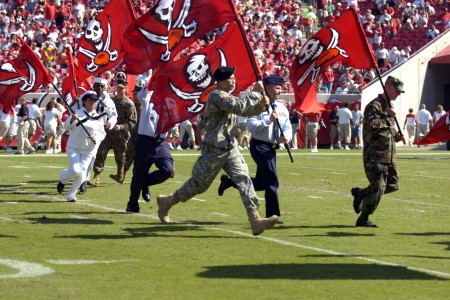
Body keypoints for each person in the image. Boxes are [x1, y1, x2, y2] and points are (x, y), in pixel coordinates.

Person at [156, 66, 279, 236]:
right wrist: (256, 92)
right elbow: (238, 106)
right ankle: (168, 201)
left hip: (229, 147)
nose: (234, 80)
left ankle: (255, 219)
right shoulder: (216, 95)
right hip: (214, 149)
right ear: (221, 80)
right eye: (231, 78)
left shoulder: (227, 96)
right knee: (199, 185)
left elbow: (245, 108)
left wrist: (260, 105)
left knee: (244, 179)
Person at [218, 75, 292, 223]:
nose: (279, 91)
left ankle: (230, 181)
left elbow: (287, 126)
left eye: (280, 88)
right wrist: (268, 119)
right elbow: (251, 127)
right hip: (259, 146)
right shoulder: (257, 107)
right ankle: (273, 215)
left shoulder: (282, 107)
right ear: (267, 88)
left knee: (261, 183)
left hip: (272, 147)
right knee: (272, 181)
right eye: (276, 88)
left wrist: (286, 138)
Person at [351, 76, 406, 227]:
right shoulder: (374, 106)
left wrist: (396, 136)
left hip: (389, 156)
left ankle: (361, 194)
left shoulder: (388, 106)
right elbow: (374, 125)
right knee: (379, 187)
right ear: (388, 86)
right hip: (375, 155)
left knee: (393, 185)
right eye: (397, 90)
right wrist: (389, 115)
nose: (398, 94)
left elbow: (387, 131)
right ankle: (363, 218)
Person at [125, 86, 175, 213]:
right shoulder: (148, 101)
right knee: (138, 175)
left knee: (167, 170)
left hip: (161, 143)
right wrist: (152, 81)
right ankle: (133, 204)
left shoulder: (170, 104)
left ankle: (145, 183)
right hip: (145, 142)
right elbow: (141, 96)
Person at [57, 91, 106, 202]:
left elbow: (102, 133)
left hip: (88, 149)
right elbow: (66, 127)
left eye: (94, 100)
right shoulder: (77, 113)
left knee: (82, 173)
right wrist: (72, 119)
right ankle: (63, 179)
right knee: (75, 169)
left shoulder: (98, 117)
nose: (93, 102)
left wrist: (96, 137)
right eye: (90, 100)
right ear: (84, 101)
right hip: (74, 146)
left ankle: (71, 195)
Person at [90, 83, 137, 185]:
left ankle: (120, 174)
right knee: (101, 153)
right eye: (118, 88)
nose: (119, 90)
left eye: (121, 89)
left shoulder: (129, 104)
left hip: (120, 135)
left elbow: (132, 122)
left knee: (120, 157)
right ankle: (96, 177)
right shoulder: (110, 101)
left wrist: (121, 127)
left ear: (125, 90)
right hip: (107, 133)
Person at [85, 77, 117, 188]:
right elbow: (75, 109)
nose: (99, 88)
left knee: (93, 155)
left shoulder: (108, 101)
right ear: (93, 86)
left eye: (101, 86)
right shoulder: (87, 96)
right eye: (97, 85)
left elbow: (114, 115)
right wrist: (75, 101)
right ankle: (81, 175)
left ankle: (87, 178)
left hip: (98, 131)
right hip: (84, 130)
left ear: (105, 87)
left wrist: (110, 123)